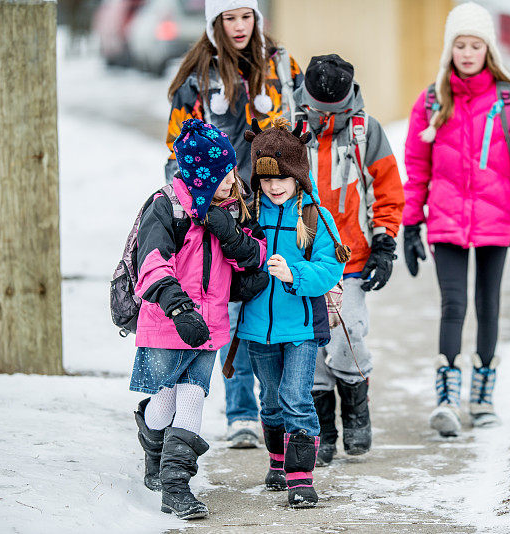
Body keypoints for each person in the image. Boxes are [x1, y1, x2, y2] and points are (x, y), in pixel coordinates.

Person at [402, 2, 510, 437]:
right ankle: (446, 399)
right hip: (447, 220)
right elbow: (417, 169)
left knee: (488, 306)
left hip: (497, 220)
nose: (467, 53)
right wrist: (411, 225)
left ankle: (483, 397)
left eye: (476, 45)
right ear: (450, 49)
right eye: (460, 45)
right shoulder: (432, 101)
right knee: (454, 305)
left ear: (489, 50)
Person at [166, 0, 304, 447]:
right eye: (230, 17)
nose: (240, 26)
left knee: (265, 304)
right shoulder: (197, 79)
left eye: (247, 15)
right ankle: (241, 412)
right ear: (215, 22)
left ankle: (274, 410)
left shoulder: (281, 66)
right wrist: (190, 208)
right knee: (226, 305)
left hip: (273, 202)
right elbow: (176, 152)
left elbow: (304, 136)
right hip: (221, 209)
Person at [131, 119, 267, 520]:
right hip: (166, 322)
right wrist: (178, 308)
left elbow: (255, 253)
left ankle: (176, 488)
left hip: (211, 325)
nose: (232, 178)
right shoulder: (166, 207)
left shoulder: (232, 209)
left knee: (192, 397)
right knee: (164, 400)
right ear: (200, 175)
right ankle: (150, 437)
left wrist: (230, 233)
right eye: (224, 172)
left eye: (231, 170)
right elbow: (152, 264)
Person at [291, 54, 405, 465]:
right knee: (311, 342)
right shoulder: (291, 126)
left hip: (350, 257)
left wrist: (385, 242)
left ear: (346, 103)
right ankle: (323, 429)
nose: (323, 117)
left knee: (348, 333)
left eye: (331, 111)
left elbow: (388, 189)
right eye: (316, 109)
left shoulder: (364, 132)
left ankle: (357, 411)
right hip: (300, 260)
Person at [237, 117, 348, 508]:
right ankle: (279, 461)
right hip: (257, 329)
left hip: (299, 328)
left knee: (294, 396)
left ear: (298, 174)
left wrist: (294, 273)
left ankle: (301, 478)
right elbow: (229, 259)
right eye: (266, 179)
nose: (274, 186)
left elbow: (331, 268)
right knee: (269, 398)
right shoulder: (248, 214)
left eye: (282, 177)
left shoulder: (315, 217)